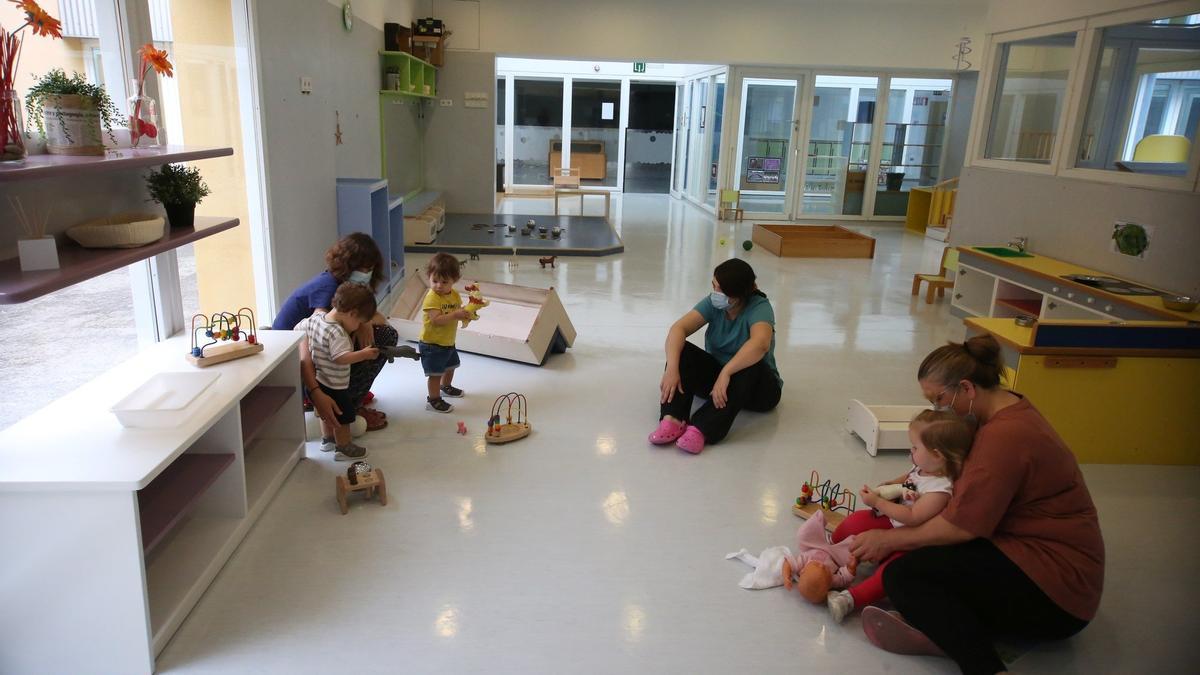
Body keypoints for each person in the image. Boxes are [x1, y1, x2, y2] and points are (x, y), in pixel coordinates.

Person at [850, 335, 1105, 675]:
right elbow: (953, 476)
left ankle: (983, 664)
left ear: (967, 389)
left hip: (1058, 595)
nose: (939, 409)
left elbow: (960, 526)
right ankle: (945, 629)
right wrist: (902, 484)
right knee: (918, 553)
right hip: (1041, 562)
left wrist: (888, 540)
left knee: (904, 575)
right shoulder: (1000, 410)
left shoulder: (1003, 438)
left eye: (939, 399)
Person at [823, 409, 974, 623]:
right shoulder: (925, 465)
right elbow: (909, 476)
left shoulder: (940, 490)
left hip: (910, 538)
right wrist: (891, 484)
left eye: (915, 447)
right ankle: (828, 552)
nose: (910, 451)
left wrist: (879, 502)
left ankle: (849, 600)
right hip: (893, 520)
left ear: (937, 455)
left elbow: (912, 517)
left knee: (890, 572)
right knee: (855, 521)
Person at [651, 258, 781, 454]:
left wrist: (726, 372)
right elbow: (679, 328)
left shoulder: (759, 307)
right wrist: (672, 368)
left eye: (720, 289)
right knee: (682, 350)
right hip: (719, 384)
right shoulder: (716, 303)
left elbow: (760, 344)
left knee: (751, 363)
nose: (715, 293)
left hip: (759, 390)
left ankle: (702, 429)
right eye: (714, 286)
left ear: (739, 295)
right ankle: (673, 418)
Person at [273, 233, 397, 432]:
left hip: (309, 350)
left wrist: (364, 322)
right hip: (291, 355)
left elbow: (379, 318)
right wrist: (316, 392)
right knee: (376, 339)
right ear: (347, 266)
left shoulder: (346, 289)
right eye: (362, 269)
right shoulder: (328, 289)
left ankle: (347, 397)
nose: (366, 274)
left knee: (380, 334)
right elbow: (313, 343)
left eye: (370, 269)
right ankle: (347, 404)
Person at [296, 283, 379, 461]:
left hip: (318, 380)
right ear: (352, 314)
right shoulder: (338, 333)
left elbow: (298, 328)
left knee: (325, 412)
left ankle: (327, 440)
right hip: (334, 384)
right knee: (343, 416)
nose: (357, 327)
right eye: (358, 322)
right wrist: (363, 354)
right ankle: (344, 447)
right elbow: (340, 357)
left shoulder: (316, 319)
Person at [419, 253, 471, 413]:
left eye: (444, 282)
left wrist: (465, 313)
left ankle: (445, 387)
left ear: (454, 281)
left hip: (447, 341)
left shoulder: (454, 295)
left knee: (450, 366)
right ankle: (433, 400)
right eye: (435, 281)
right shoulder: (432, 298)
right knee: (435, 374)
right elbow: (436, 320)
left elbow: (457, 310)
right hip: (432, 344)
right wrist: (455, 315)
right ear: (429, 277)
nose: (439, 286)